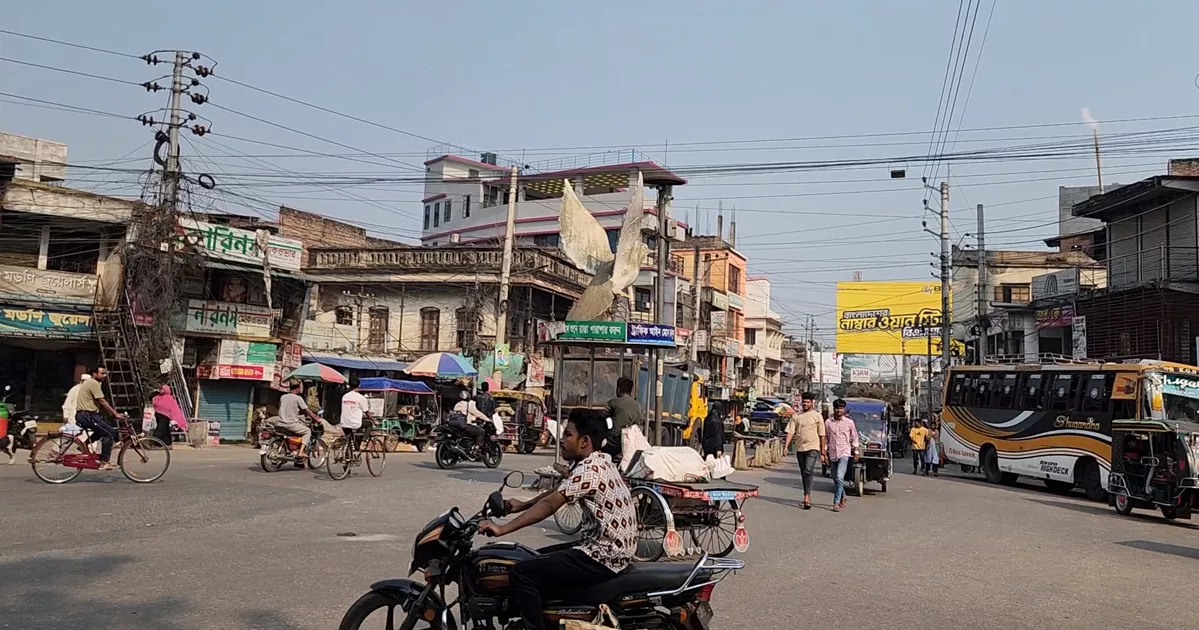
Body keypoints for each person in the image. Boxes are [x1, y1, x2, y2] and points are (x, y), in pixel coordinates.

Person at [478, 409, 635, 630]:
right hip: (608, 549)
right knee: (532, 557)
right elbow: (560, 490)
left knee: (521, 573)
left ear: (584, 441)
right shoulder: (599, 461)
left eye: (568, 434)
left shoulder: (590, 470)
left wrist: (502, 529)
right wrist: (523, 505)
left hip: (603, 554)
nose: (561, 440)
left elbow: (550, 505)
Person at [75, 366, 127, 471]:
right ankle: (104, 462)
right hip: (88, 415)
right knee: (109, 433)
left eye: (105, 373)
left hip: (88, 414)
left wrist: (111, 414)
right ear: (94, 374)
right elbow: (102, 401)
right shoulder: (93, 383)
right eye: (102, 373)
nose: (104, 375)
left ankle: (84, 445)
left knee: (105, 428)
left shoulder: (91, 382)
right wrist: (116, 414)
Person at [783, 392, 827, 510]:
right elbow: (790, 431)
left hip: (813, 447)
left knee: (808, 469)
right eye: (804, 402)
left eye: (808, 402)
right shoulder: (796, 416)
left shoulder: (817, 416)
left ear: (812, 403)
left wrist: (823, 452)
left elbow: (822, 435)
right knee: (804, 472)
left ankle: (807, 497)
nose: (805, 404)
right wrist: (786, 446)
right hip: (800, 448)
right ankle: (806, 494)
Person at [276, 380, 322, 468]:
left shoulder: (283, 397)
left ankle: (296, 456)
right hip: (290, 424)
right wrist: (316, 418)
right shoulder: (298, 398)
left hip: (280, 423)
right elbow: (307, 410)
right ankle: (301, 452)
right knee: (307, 431)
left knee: (298, 430)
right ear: (297, 389)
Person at [824, 399, 859, 512]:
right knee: (835, 478)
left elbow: (854, 436)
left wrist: (856, 451)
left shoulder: (849, 422)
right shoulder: (828, 422)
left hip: (844, 452)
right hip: (832, 453)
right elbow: (826, 438)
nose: (839, 410)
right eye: (837, 408)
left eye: (841, 408)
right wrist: (824, 452)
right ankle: (843, 495)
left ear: (844, 409)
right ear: (834, 409)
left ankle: (836, 502)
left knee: (839, 477)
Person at [604, 377, 642, 462]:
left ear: (618, 389)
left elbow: (604, 418)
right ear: (630, 390)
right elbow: (639, 425)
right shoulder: (638, 406)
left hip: (614, 442)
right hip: (630, 443)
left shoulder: (613, 402)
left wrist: (609, 429)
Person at [339, 376, 375, 452]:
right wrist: (374, 420)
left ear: (349, 385)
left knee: (349, 440)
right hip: (355, 423)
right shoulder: (360, 398)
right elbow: (367, 412)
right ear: (359, 385)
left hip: (344, 423)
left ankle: (348, 454)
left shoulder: (344, 396)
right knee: (369, 424)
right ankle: (363, 442)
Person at [152, 385, 188, 449]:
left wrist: (175, 417)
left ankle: (155, 441)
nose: (160, 390)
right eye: (160, 389)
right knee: (165, 430)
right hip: (158, 415)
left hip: (165, 416)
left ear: (166, 390)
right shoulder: (157, 397)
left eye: (162, 389)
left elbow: (174, 409)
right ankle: (167, 443)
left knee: (161, 429)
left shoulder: (169, 398)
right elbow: (155, 403)